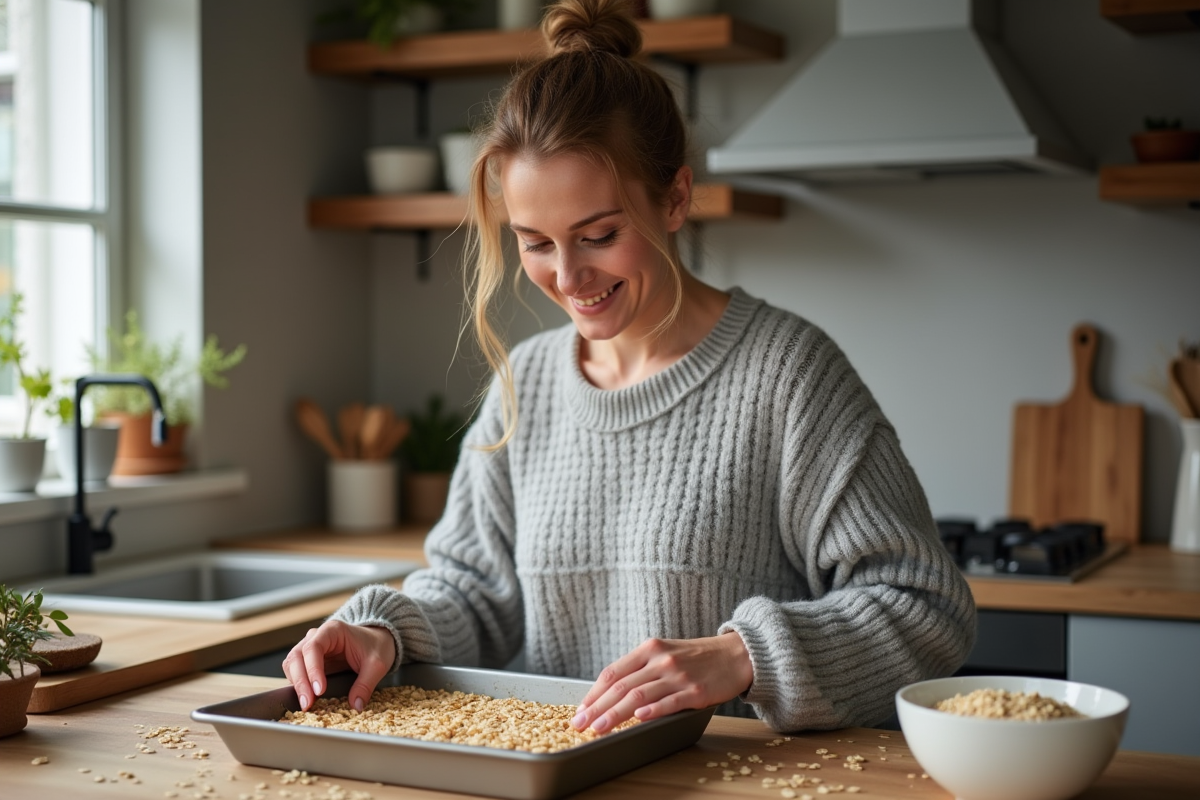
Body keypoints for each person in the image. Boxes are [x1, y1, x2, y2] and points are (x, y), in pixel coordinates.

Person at [284, 0, 976, 735]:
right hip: (560, 778)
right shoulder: (527, 384)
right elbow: (473, 593)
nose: (568, 277)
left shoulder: (789, 375)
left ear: (675, 198)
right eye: (535, 243)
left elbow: (926, 609)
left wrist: (745, 656)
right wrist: (382, 631)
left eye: (599, 235)